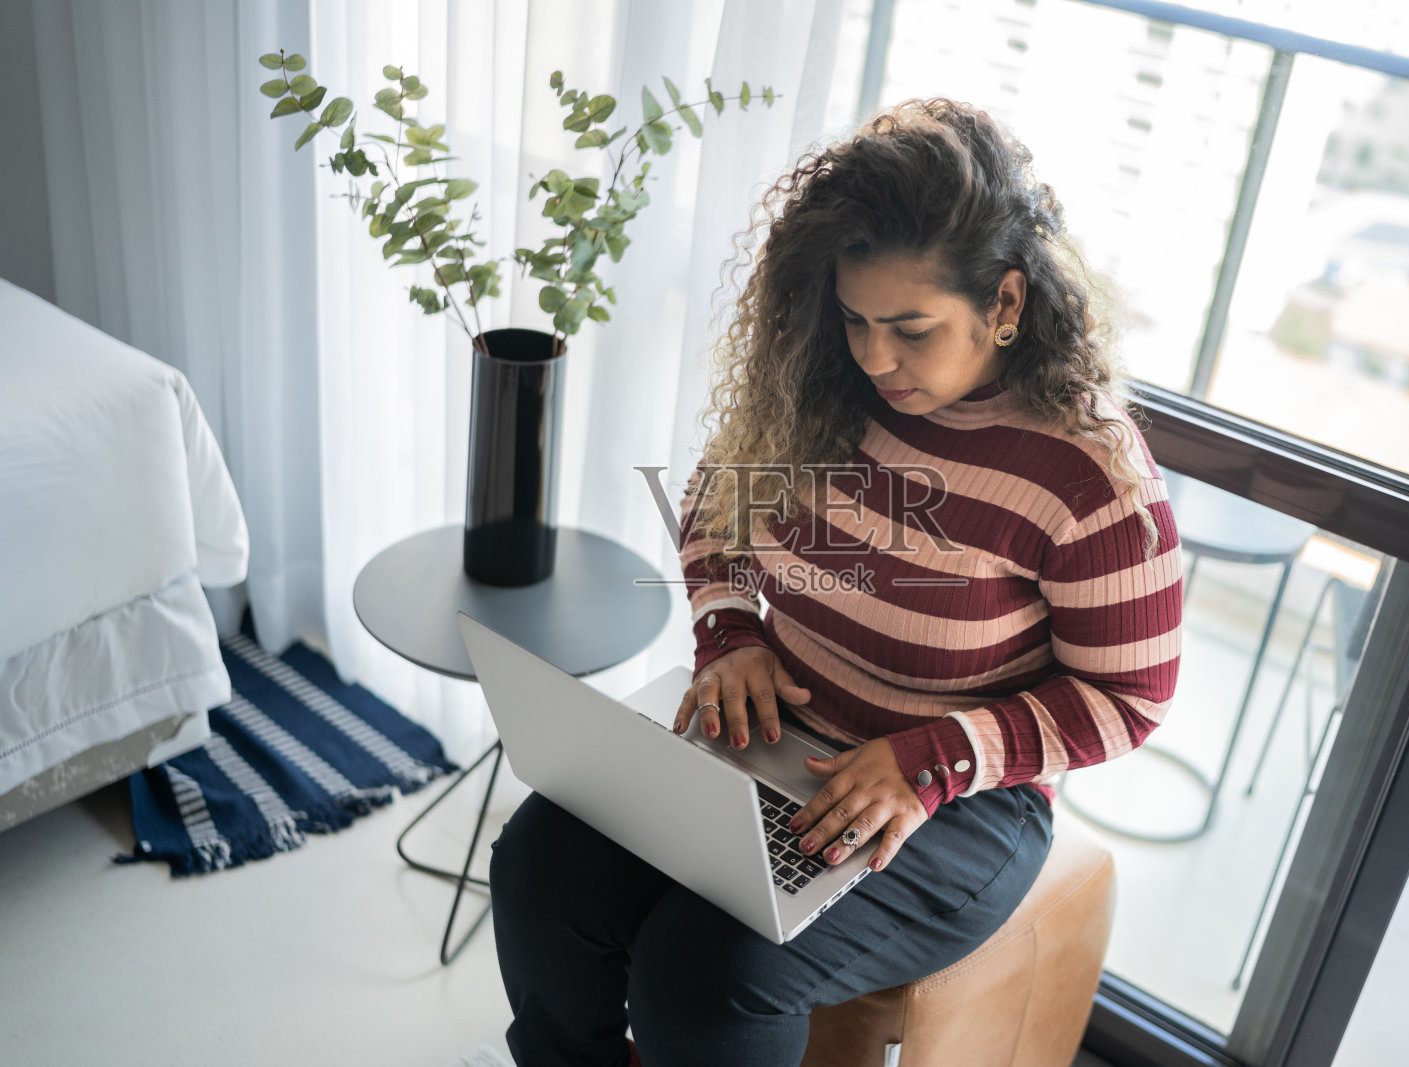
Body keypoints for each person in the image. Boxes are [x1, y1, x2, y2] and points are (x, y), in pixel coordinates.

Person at [487, 97, 1183, 1067]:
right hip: (776, 736)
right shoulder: (823, 386)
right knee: (537, 865)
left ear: (1008, 304)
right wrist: (729, 631)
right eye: (853, 318)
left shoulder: (1090, 474)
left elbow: (1129, 696)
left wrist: (930, 758)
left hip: (963, 797)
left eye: (910, 327)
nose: (872, 355)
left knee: (704, 971)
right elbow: (716, 508)